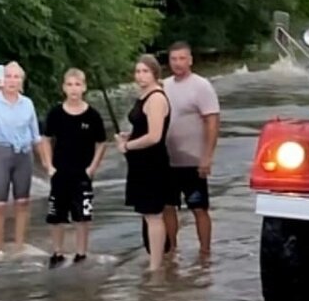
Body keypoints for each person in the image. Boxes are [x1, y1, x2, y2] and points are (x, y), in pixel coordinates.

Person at [39, 68, 107, 267]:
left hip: (82, 173)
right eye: (69, 85)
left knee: (82, 215)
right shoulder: (55, 113)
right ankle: (57, 252)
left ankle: (81, 253)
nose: (73, 89)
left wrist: (92, 167)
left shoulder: (92, 115)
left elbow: (102, 143)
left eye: (77, 84)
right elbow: (45, 139)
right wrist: (48, 165)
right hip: (60, 172)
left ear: (84, 87)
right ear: (63, 88)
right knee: (55, 215)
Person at [0, 61, 42, 260]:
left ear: (22, 81)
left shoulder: (27, 103)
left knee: (22, 201)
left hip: (23, 153)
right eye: (9, 76)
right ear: (2, 80)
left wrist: (47, 162)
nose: (13, 80)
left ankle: (19, 245)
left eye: (17, 77)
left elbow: (36, 135)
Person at [162, 41, 220, 257]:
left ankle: (205, 253)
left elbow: (212, 122)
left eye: (182, 58)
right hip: (167, 159)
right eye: (174, 59)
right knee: (168, 207)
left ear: (191, 60)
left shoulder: (201, 86)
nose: (178, 63)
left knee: (199, 208)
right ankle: (172, 251)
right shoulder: (163, 86)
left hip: (193, 160)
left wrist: (207, 156)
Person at [117, 54, 172, 271]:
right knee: (148, 214)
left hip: (152, 163)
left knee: (153, 215)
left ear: (155, 73)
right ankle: (156, 261)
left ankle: (155, 265)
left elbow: (155, 136)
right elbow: (143, 129)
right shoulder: (144, 96)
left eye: (145, 71)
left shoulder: (156, 98)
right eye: (138, 71)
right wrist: (128, 136)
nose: (140, 76)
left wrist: (128, 146)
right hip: (141, 163)